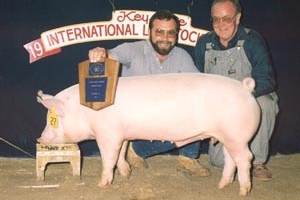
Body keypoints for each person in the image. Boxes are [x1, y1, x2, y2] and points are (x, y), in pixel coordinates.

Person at [89, 10, 210, 178]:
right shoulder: (133, 49)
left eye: (170, 33)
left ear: (177, 35)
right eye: (159, 32)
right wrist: (101, 53)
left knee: (197, 110)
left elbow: (199, 86)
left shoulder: (182, 56)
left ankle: (187, 159)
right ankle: (135, 149)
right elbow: (110, 55)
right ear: (149, 32)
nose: (165, 38)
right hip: (136, 122)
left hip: (167, 117)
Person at [194, 0, 279, 181]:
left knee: (266, 103)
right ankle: (236, 153)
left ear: (238, 18)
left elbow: (266, 80)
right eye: (216, 19)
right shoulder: (204, 44)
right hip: (219, 108)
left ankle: (258, 162)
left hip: (249, 100)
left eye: (226, 18)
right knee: (218, 162)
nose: (221, 24)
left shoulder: (252, 40)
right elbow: (197, 82)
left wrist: (239, 98)